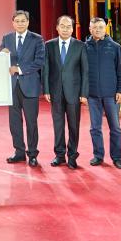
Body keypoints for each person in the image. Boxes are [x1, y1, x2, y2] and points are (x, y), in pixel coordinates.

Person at [43, 15, 89, 169]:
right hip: (55, 91)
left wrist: (84, 93)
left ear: (72, 29)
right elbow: (45, 69)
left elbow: (85, 71)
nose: (65, 29)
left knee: (74, 126)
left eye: (68, 26)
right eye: (62, 26)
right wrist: (46, 89)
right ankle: (60, 155)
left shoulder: (80, 46)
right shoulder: (49, 45)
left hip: (74, 93)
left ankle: (72, 156)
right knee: (58, 125)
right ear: (57, 27)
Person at [0, 10, 45, 167]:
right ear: (13, 23)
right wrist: (2, 54)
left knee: (31, 122)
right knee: (14, 122)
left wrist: (19, 69)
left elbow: (40, 61)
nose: (20, 23)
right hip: (12, 87)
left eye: (23, 21)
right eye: (17, 21)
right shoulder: (6, 38)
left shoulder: (37, 39)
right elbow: (1, 60)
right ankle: (19, 152)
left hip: (30, 86)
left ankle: (32, 154)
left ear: (28, 22)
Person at [85, 17, 121, 170]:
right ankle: (98, 156)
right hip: (92, 95)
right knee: (95, 128)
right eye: (95, 27)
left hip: (111, 95)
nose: (98, 30)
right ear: (90, 29)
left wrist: (120, 90)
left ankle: (117, 157)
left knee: (115, 127)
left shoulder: (115, 47)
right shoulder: (85, 47)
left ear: (105, 29)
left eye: (100, 27)